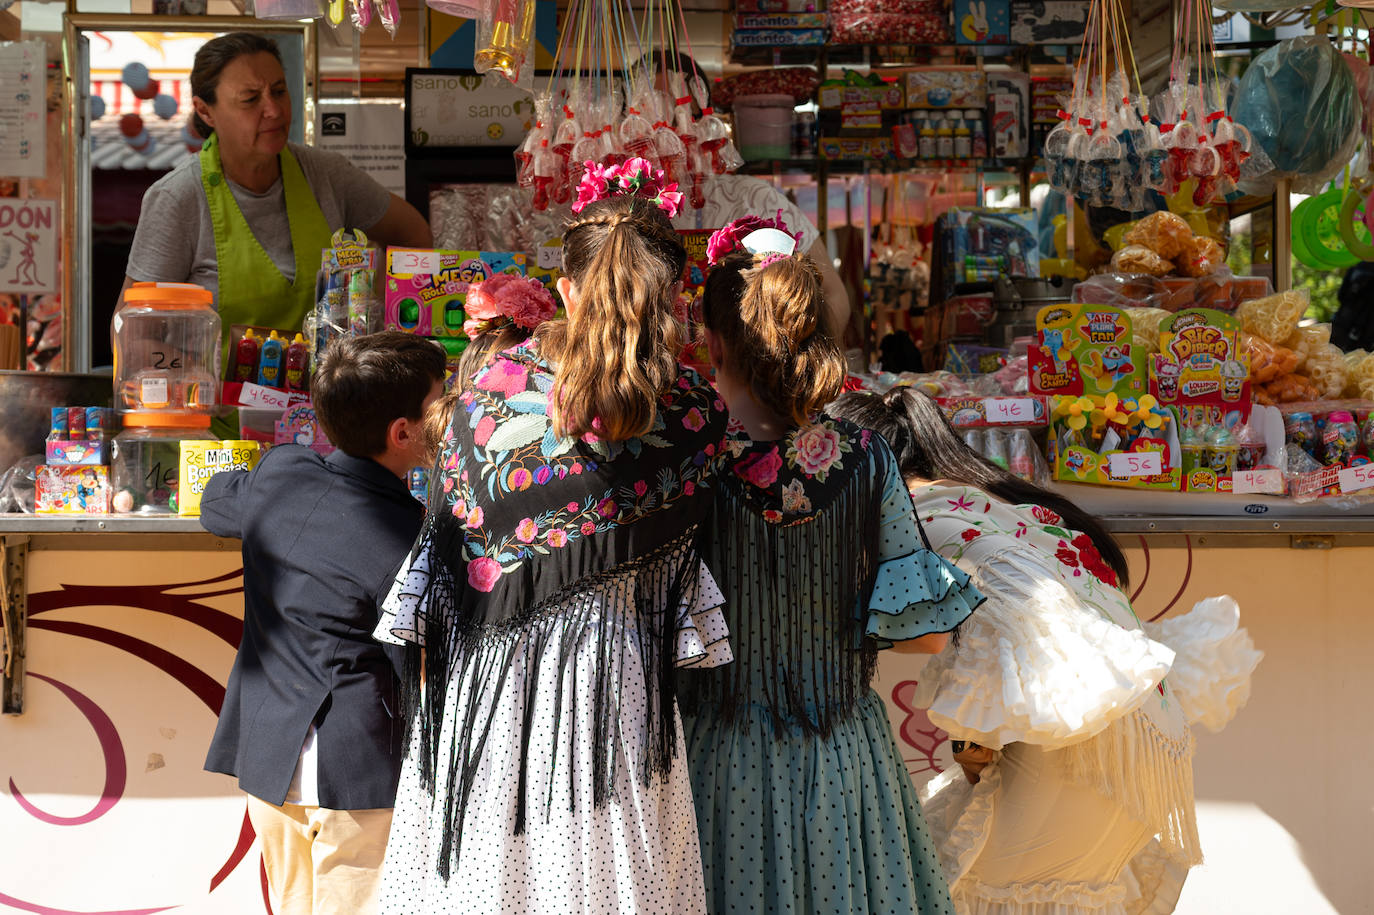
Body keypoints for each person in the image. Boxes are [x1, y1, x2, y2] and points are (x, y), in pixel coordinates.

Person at [373, 162, 732, 913]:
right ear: (669, 298)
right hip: (614, 688)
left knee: (490, 885)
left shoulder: (485, 398)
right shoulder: (696, 412)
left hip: (488, 693)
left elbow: (441, 577)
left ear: (566, 289)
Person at [829, 387, 1262, 915]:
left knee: (971, 887)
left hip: (1075, 759)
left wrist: (971, 760)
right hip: (1143, 754)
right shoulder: (998, 502)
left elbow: (972, 675)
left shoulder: (915, 520)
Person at [678, 218, 984, 914]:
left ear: (715, 342)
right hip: (843, 760)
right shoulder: (867, 457)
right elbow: (927, 635)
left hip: (717, 763)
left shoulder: (691, 459)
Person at [199, 331, 446, 915]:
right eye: (441, 403)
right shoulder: (413, 536)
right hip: (357, 771)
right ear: (402, 432)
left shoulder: (282, 473)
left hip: (271, 755)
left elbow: (213, 503)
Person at [124, 32, 431, 361]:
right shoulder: (178, 198)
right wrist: (201, 383)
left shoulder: (327, 175)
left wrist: (378, 325)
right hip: (220, 411)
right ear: (205, 111)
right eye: (250, 99)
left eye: (280, 92)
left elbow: (412, 234)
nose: (273, 110)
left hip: (326, 409)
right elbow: (135, 336)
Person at [648, 51, 856, 344]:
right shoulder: (616, 205)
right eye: (650, 116)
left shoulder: (754, 200)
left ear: (705, 122)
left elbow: (832, 294)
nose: (668, 133)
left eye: (680, 115)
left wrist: (796, 367)